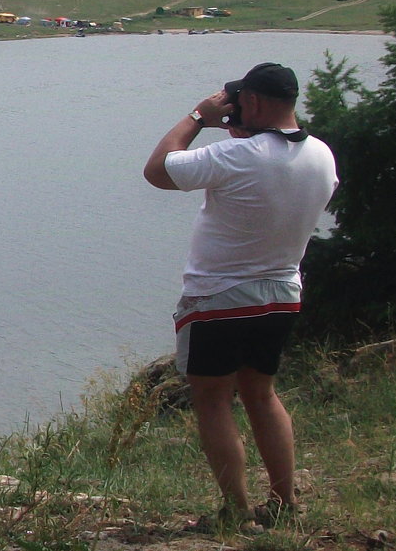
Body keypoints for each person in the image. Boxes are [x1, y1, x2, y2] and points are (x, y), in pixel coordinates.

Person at [143, 62, 337, 530]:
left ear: (251, 101)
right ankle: (284, 502)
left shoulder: (240, 156)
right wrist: (242, 135)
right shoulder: (322, 155)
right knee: (262, 394)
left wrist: (197, 115)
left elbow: (158, 170)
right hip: (281, 293)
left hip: (219, 298)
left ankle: (236, 511)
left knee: (212, 401)